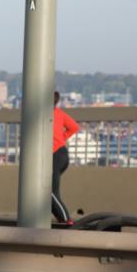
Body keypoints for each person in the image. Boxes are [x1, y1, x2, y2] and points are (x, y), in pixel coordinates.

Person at [52, 91, 79, 225]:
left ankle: (65, 219)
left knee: (48, 190)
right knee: (48, 190)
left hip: (55, 156)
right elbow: (74, 127)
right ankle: (61, 217)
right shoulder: (59, 113)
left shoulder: (44, 115)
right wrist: (62, 138)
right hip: (62, 154)